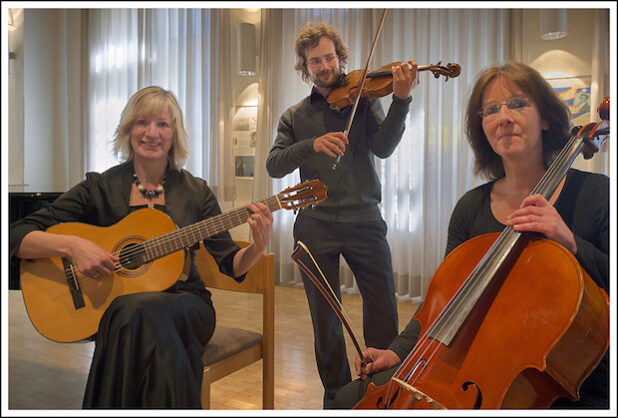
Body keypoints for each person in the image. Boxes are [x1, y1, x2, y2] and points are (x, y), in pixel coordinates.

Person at [331, 61, 609, 409]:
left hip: (565, 379)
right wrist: (396, 352)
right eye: (491, 110)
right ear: (483, 127)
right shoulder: (471, 207)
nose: (503, 117)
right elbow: (440, 302)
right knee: (346, 400)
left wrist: (569, 241)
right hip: (471, 368)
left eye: (518, 104)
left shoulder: (598, 195)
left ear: (546, 118)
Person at [9, 86, 274, 408]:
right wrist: (73, 246)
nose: (152, 133)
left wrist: (258, 246)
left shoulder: (196, 191)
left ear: (175, 134)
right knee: (137, 314)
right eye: (142, 122)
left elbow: (230, 263)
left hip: (185, 305)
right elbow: (16, 235)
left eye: (163, 124)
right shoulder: (100, 187)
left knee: (135, 314)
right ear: (127, 129)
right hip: (121, 310)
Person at [265, 22, 419, 407]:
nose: (324, 65)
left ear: (341, 58)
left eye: (329, 57)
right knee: (326, 322)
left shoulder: (364, 101)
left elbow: (383, 148)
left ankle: (381, 393)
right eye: (315, 60)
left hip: (365, 220)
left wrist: (401, 101)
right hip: (314, 225)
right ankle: (336, 398)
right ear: (305, 67)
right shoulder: (295, 115)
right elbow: (273, 165)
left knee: (383, 308)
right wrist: (311, 145)